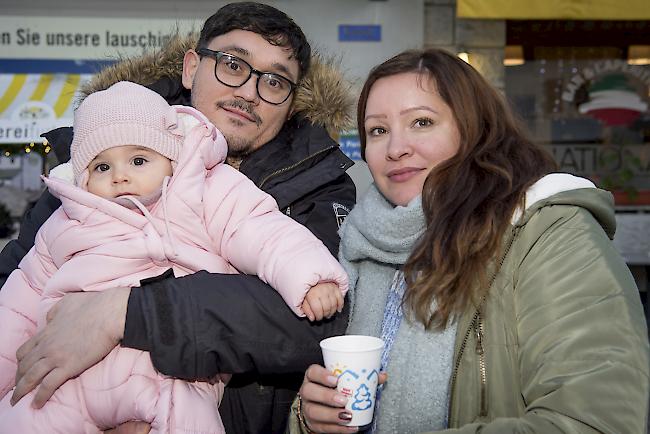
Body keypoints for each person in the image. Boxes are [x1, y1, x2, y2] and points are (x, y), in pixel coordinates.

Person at [0, 2, 356, 433]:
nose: (248, 91)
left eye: (275, 80)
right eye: (232, 64)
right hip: (61, 396)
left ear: (291, 99)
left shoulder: (317, 183)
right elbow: (17, 288)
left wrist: (124, 312)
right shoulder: (90, 165)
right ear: (191, 67)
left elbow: (315, 321)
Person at [291, 48, 650, 433]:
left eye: (422, 122)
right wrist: (309, 418)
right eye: (378, 130)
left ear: (474, 130)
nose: (395, 148)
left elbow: (597, 421)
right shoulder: (360, 242)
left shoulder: (547, 231)